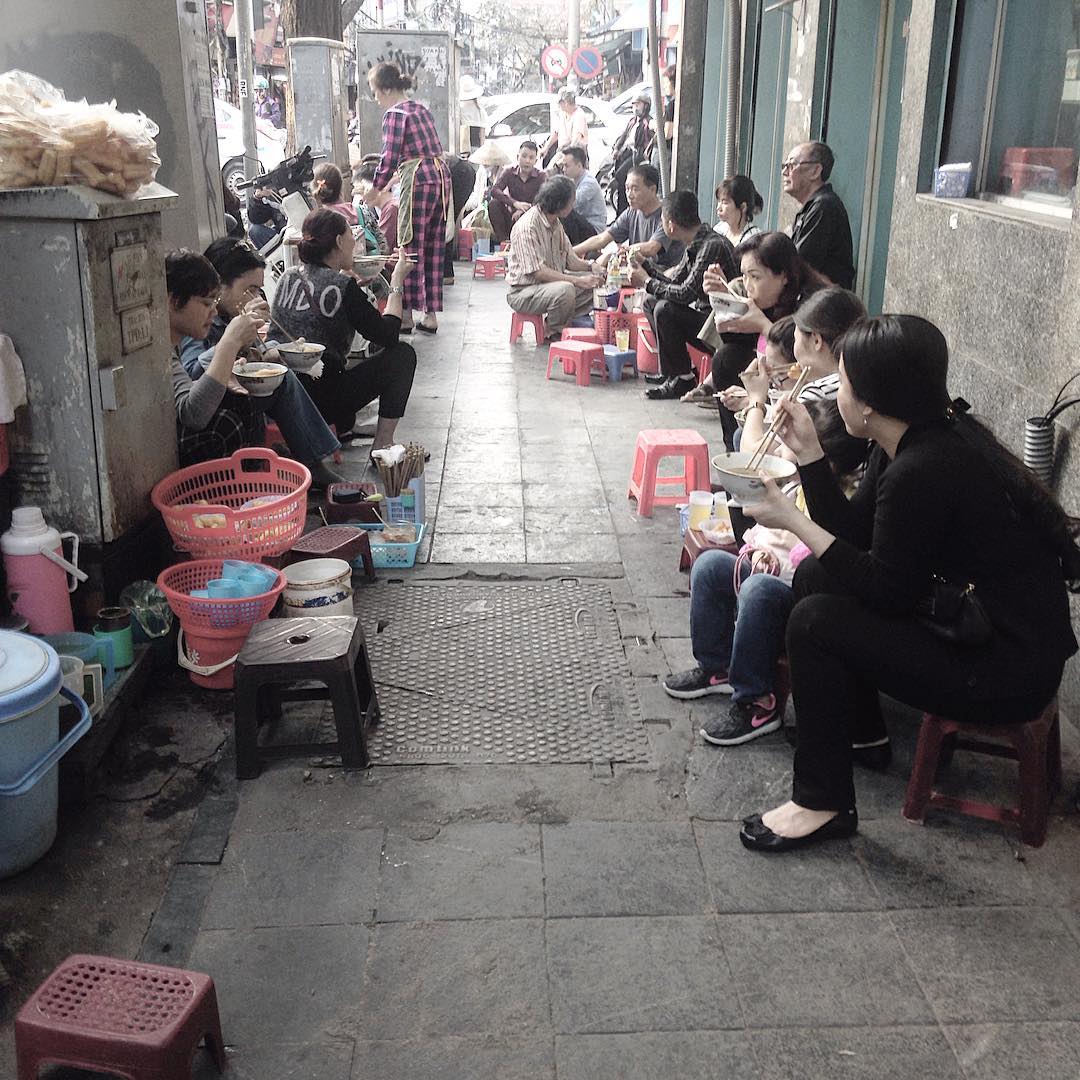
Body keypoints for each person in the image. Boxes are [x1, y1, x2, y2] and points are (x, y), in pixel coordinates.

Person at [736, 315, 1080, 851]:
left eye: (843, 383)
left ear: (870, 401)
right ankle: (861, 732)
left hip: (1003, 668)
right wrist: (809, 456)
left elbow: (886, 589)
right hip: (977, 630)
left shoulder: (927, 467)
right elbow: (852, 536)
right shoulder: (908, 438)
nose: (837, 394)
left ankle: (822, 801)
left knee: (814, 622)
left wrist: (794, 520)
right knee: (816, 572)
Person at [663, 400, 867, 746]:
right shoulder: (793, 486)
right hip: (764, 571)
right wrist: (756, 550)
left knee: (758, 589)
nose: (781, 448)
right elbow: (761, 533)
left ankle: (757, 701)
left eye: (790, 442)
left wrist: (778, 565)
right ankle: (717, 666)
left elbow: (818, 558)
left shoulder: (844, 501)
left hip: (797, 596)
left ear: (825, 457)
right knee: (711, 565)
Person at [175, 238, 345, 486]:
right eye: (250, 290)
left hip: (224, 398)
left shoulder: (228, 316)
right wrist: (232, 342)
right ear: (220, 285)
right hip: (205, 412)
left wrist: (270, 351)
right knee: (279, 381)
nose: (255, 297)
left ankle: (302, 461)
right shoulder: (197, 321)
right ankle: (304, 463)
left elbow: (251, 358)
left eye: (258, 290)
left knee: (277, 376)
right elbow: (192, 373)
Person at [270, 208, 417, 451]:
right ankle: (383, 444)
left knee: (346, 405)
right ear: (339, 241)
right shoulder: (342, 286)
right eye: (351, 236)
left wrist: (353, 290)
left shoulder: (288, 276)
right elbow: (388, 335)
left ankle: (345, 426)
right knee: (403, 355)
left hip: (281, 393)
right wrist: (397, 283)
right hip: (319, 398)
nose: (355, 243)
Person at [704, 231, 827, 449]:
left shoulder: (810, 304)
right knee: (725, 359)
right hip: (776, 379)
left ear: (784, 276)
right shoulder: (768, 297)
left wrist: (763, 326)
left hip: (805, 389)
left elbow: (800, 358)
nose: (747, 284)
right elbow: (734, 339)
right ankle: (733, 452)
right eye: (744, 275)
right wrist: (722, 298)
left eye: (755, 276)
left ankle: (749, 448)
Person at [624, 190, 737, 401]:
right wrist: (646, 266)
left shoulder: (712, 246)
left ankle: (682, 378)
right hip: (706, 320)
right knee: (651, 302)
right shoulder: (696, 243)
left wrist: (646, 281)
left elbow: (685, 294)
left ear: (671, 224)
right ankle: (675, 373)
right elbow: (676, 283)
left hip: (721, 328)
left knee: (665, 309)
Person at [365, 62, 450, 335]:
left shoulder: (395, 114)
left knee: (409, 244)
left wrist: (375, 188)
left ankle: (406, 315)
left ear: (388, 88)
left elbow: (389, 157)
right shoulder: (420, 108)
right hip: (439, 176)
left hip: (418, 179)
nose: (376, 99)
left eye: (376, 92)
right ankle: (431, 315)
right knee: (433, 246)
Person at [505, 175, 603, 340]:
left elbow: (571, 261)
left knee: (596, 284)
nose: (573, 205)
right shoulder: (527, 227)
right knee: (566, 290)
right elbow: (538, 272)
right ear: (560, 204)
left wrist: (592, 267)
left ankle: (558, 320)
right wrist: (577, 281)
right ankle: (554, 331)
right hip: (523, 292)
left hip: (548, 287)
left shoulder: (556, 224)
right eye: (571, 201)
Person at [573, 163, 684, 270]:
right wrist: (570, 252)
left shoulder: (665, 215)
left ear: (652, 190)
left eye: (635, 189)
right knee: (592, 256)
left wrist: (617, 253)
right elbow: (602, 239)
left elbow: (651, 248)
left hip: (663, 272)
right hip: (639, 269)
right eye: (627, 188)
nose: (629, 195)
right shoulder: (631, 212)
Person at [782, 141, 855, 289]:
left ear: (815, 171)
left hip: (823, 306)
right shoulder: (814, 205)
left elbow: (798, 263)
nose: (784, 172)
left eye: (792, 165)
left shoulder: (824, 206)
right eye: (784, 166)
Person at [487, 141, 546, 244]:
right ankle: (504, 242)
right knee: (493, 204)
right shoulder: (509, 172)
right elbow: (495, 190)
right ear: (517, 157)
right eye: (524, 156)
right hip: (512, 217)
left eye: (531, 158)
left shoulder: (541, 176)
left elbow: (546, 199)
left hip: (532, 219)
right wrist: (515, 203)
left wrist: (526, 210)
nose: (527, 161)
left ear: (536, 161)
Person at [611, 94, 654, 215]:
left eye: (638, 104)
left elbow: (648, 143)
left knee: (621, 176)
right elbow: (624, 136)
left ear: (646, 106)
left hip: (637, 156)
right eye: (634, 105)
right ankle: (620, 214)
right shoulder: (632, 121)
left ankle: (624, 212)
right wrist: (616, 148)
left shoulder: (648, 122)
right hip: (626, 153)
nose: (635, 108)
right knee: (619, 179)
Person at [556, 145, 607, 243]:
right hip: (581, 223)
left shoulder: (589, 183)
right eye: (563, 166)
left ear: (579, 165)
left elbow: (571, 205)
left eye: (567, 166)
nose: (563, 169)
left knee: (565, 210)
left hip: (594, 228)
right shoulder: (572, 180)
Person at [541, 88, 589, 166]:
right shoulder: (562, 114)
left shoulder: (579, 115)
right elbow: (556, 133)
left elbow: (576, 139)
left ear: (565, 102)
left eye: (560, 103)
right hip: (562, 150)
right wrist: (546, 148)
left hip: (575, 153)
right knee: (550, 170)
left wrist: (564, 158)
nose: (559, 105)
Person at [714, 175, 762, 246]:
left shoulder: (754, 238)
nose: (719, 208)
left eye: (725, 202)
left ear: (743, 207)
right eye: (719, 201)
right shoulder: (718, 230)